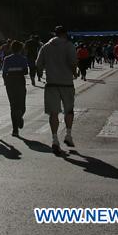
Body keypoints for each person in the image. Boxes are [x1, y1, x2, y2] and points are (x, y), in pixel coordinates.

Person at [35, 25, 77, 154]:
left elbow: (38, 64)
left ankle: (54, 139)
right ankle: (68, 135)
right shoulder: (69, 45)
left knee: (53, 113)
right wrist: (74, 73)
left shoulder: (45, 46)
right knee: (69, 110)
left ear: (55, 34)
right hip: (66, 83)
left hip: (51, 84)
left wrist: (40, 73)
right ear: (64, 34)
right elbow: (73, 62)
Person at [2, 40, 29, 137]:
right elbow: (25, 72)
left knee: (13, 107)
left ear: (11, 49)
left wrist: (6, 82)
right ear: (21, 49)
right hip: (20, 84)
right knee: (22, 106)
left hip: (10, 85)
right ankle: (19, 117)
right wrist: (19, 70)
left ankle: (15, 130)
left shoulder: (7, 59)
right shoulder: (23, 59)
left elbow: (4, 73)